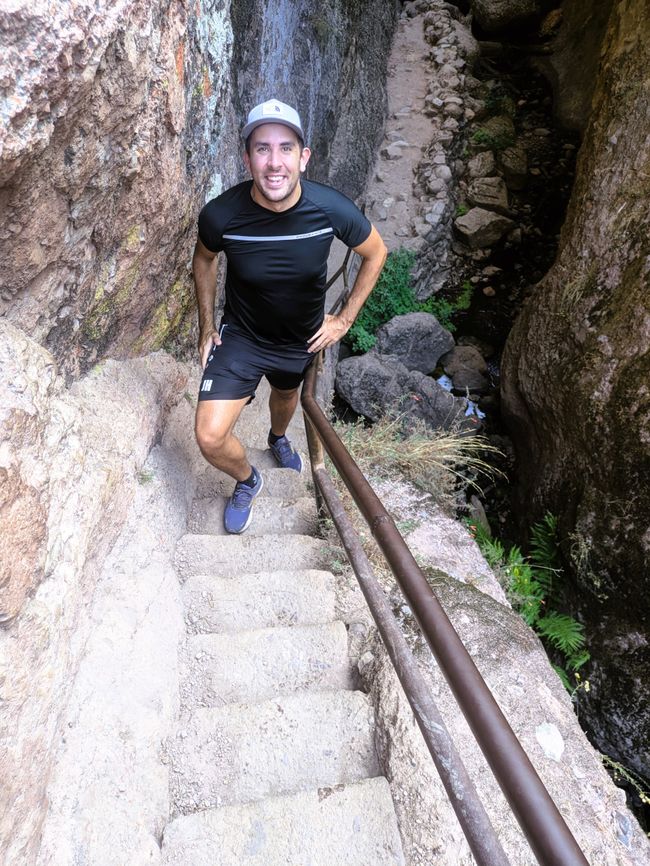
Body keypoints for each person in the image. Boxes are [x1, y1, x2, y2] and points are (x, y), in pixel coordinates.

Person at [192, 98, 387, 534]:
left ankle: (278, 439)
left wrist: (344, 319)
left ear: (304, 157)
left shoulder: (329, 208)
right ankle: (248, 478)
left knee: (287, 400)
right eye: (262, 149)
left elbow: (375, 252)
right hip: (240, 338)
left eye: (285, 148)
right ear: (247, 159)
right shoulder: (222, 215)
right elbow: (204, 261)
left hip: (299, 339)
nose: (274, 162)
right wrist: (206, 325)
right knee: (208, 436)